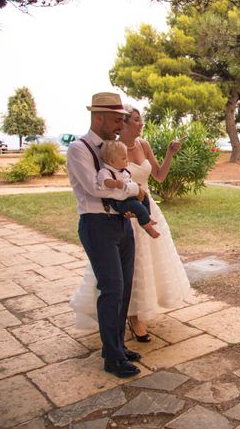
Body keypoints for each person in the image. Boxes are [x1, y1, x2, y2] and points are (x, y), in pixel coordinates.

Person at [70, 107, 191, 343]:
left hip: (148, 208)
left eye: (141, 119)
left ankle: (136, 314)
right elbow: (100, 183)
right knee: (126, 270)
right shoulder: (111, 148)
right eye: (136, 120)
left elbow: (159, 176)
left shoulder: (143, 145)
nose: (141, 124)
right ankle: (130, 318)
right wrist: (131, 194)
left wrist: (169, 153)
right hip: (125, 211)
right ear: (123, 124)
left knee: (148, 265)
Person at [66, 92, 143, 378]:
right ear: (98, 116)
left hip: (122, 224)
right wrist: (133, 190)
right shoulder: (79, 148)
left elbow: (126, 176)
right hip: (96, 225)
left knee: (123, 289)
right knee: (111, 289)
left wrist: (128, 186)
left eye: (122, 120)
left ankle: (117, 346)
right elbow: (94, 188)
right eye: (116, 120)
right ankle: (112, 358)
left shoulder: (115, 147)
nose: (120, 125)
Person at [97, 140, 160, 238]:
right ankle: (148, 227)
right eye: (124, 158)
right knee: (139, 207)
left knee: (145, 198)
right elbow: (105, 181)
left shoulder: (122, 171)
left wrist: (135, 184)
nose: (127, 160)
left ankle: (147, 217)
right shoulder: (106, 171)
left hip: (129, 196)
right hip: (120, 202)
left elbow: (128, 181)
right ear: (111, 161)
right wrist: (114, 183)